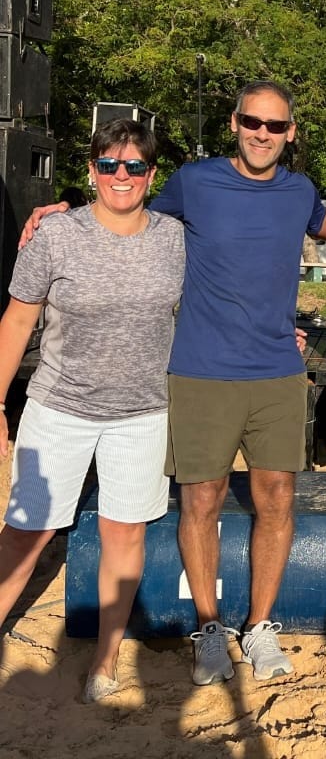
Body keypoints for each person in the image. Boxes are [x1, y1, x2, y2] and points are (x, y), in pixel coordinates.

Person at [21, 80, 326, 687]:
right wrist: (64, 210)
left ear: (290, 134)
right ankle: (210, 630)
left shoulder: (300, 192)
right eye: (252, 122)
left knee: (278, 502)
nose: (262, 133)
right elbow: (124, 207)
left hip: (276, 373)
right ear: (235, 123)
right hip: (200, 371)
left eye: (274, 125)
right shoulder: (195, 180)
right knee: (202, 502)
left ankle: (259, 627)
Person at [0, 118, 184, 703]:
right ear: (91, 171)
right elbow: (17, 321)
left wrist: (284, 331)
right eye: (109, 165)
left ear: (152, 175)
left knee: (123, 535)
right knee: (25, 536)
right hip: (58, 407)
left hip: (142, 413)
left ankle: (103, 665)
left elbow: (236, 282)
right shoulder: (55, 236)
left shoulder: (176, 238)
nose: (121, 176)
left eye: (134, 166)